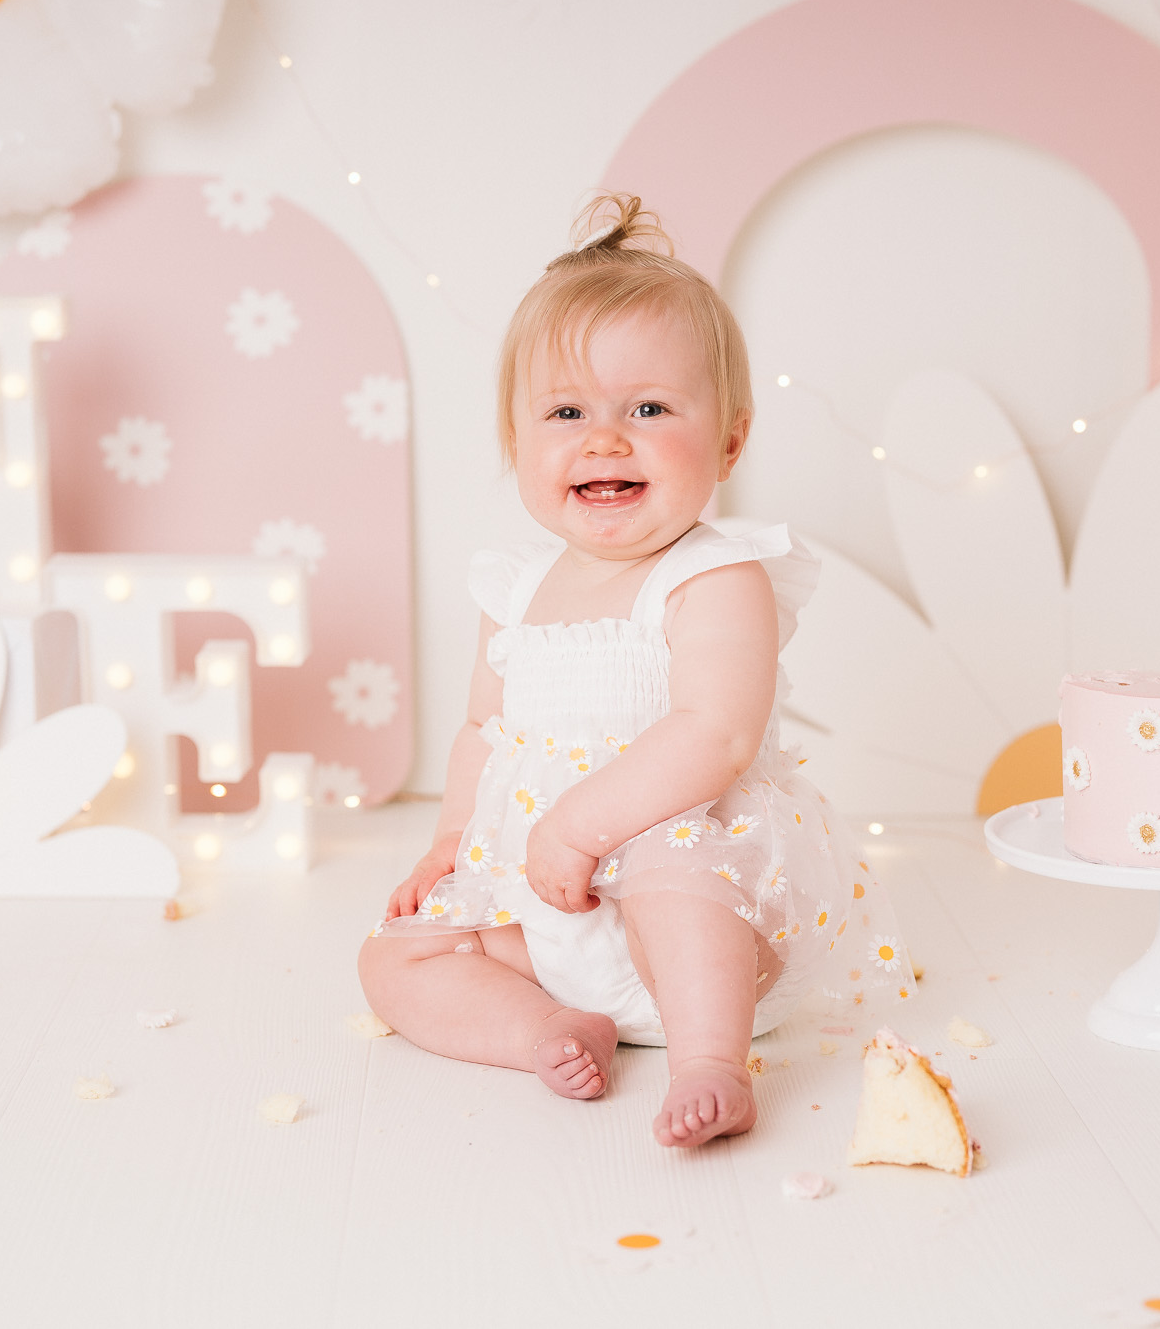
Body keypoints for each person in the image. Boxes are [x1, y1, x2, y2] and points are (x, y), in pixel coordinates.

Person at [358, 192, 907, 1148]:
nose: (604, 438)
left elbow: (716, 731)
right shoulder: (516, 590)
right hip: (543, 914)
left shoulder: (714, 574)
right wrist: (452, 842)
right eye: (566, 411)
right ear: (518, 445)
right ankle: (548, 1028)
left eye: (649, 408)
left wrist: (578, 827)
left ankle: (708, 1059)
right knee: (392, 959)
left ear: (729, 440)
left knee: (672, 868)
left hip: (695, 907)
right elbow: (484, 731)